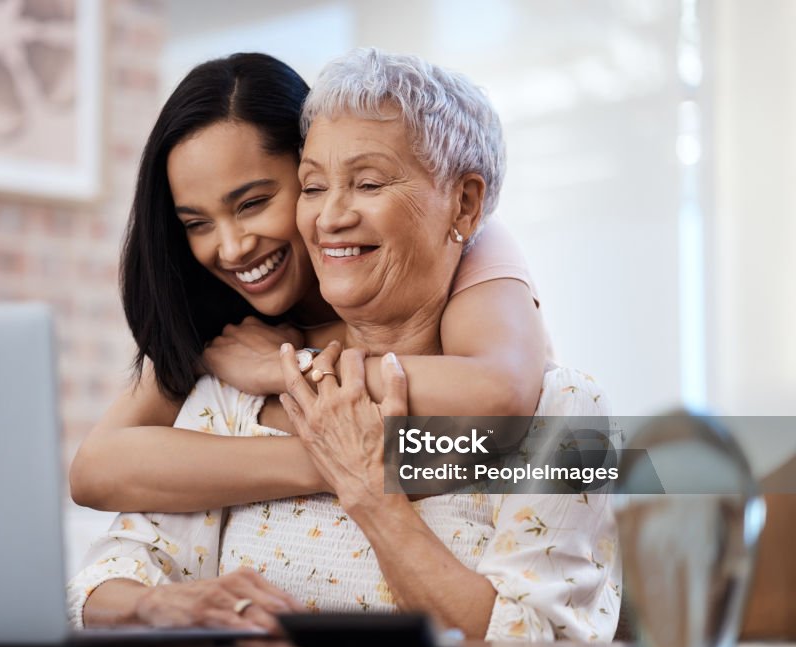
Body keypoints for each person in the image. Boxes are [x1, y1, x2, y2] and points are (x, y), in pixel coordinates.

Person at [67, 49, 620, 641]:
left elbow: (538, 645)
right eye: (314, 186)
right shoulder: (230, 381)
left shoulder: (558, 408)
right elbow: (106, 561)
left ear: (463, 203)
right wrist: (161, 605)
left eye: (369, 183)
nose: (329, 216)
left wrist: (366, 480)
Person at [69, 52, 546, 515]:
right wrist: (336, 458)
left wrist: (297, 368)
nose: (232, 248)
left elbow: (503, 398)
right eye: (197, 223)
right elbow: (95, 470)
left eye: (252, 203)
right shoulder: (220, 319)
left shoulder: (462, 239)